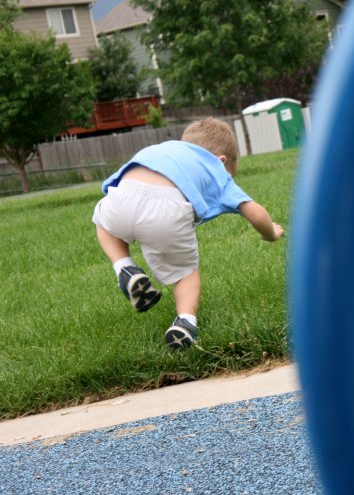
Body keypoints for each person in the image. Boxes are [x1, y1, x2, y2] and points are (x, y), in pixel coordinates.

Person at [92, 117, 284, 350]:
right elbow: (255, 212)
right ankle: (185, 322)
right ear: (222, 161)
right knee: (186, 274)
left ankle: (124, 268)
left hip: (122, 196)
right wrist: (270, 232)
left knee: (104, 224)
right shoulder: (215, 168)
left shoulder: (164, 149)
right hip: (167, 209)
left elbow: (114, 183)